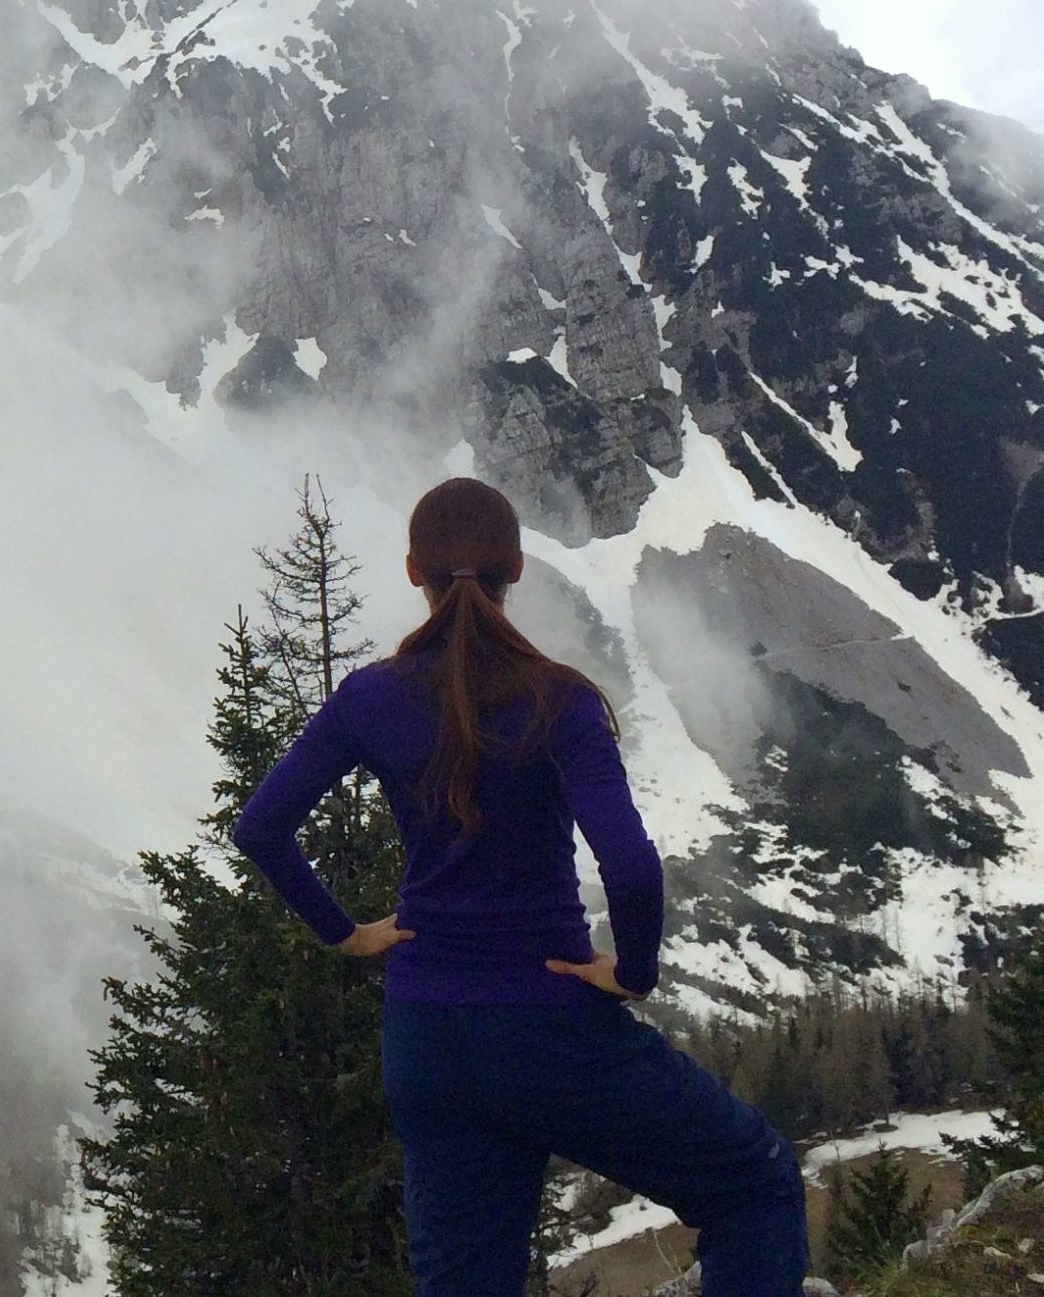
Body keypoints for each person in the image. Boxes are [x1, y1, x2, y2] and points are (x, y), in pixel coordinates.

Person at [232, 476, 810, 1297]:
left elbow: (261, 828)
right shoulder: (561, 699)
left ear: (411, 570)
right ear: (516, 568)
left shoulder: (370, 698)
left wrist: (348, 933)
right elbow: (632, 866)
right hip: (549, 1030)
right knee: (756, 1186)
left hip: (426, 1037)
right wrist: (632, 972)